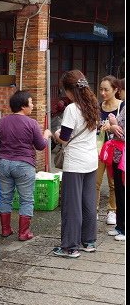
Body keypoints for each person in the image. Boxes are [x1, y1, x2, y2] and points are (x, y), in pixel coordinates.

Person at [0, 90, 52, 241]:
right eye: (31, 103)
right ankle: (23, 233)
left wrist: (5, 151)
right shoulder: (31, 123)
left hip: (4, 163)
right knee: (26, 199)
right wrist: (46, 135)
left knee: (5, 197)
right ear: (23, 105)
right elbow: (40, 146)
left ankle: (6, 230)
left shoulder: (2, 121)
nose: (33, 106)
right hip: (24, 165)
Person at [52, 70, 99, 258]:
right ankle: (89, 241)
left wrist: (54, 134)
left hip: (75, 162)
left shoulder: (72, 109)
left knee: (71, 205)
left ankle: (70, 247)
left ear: (71, 90)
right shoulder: (94, 105)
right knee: (88, 203)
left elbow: (64, 138)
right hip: (91, 160)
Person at [104, 78, 125, 242]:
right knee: (118, 189)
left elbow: (122, 133)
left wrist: (113, 124)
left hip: (122, 153)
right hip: (117, 154)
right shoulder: (124, 106)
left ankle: (123, 229)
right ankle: (119, 226)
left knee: (122, 190)